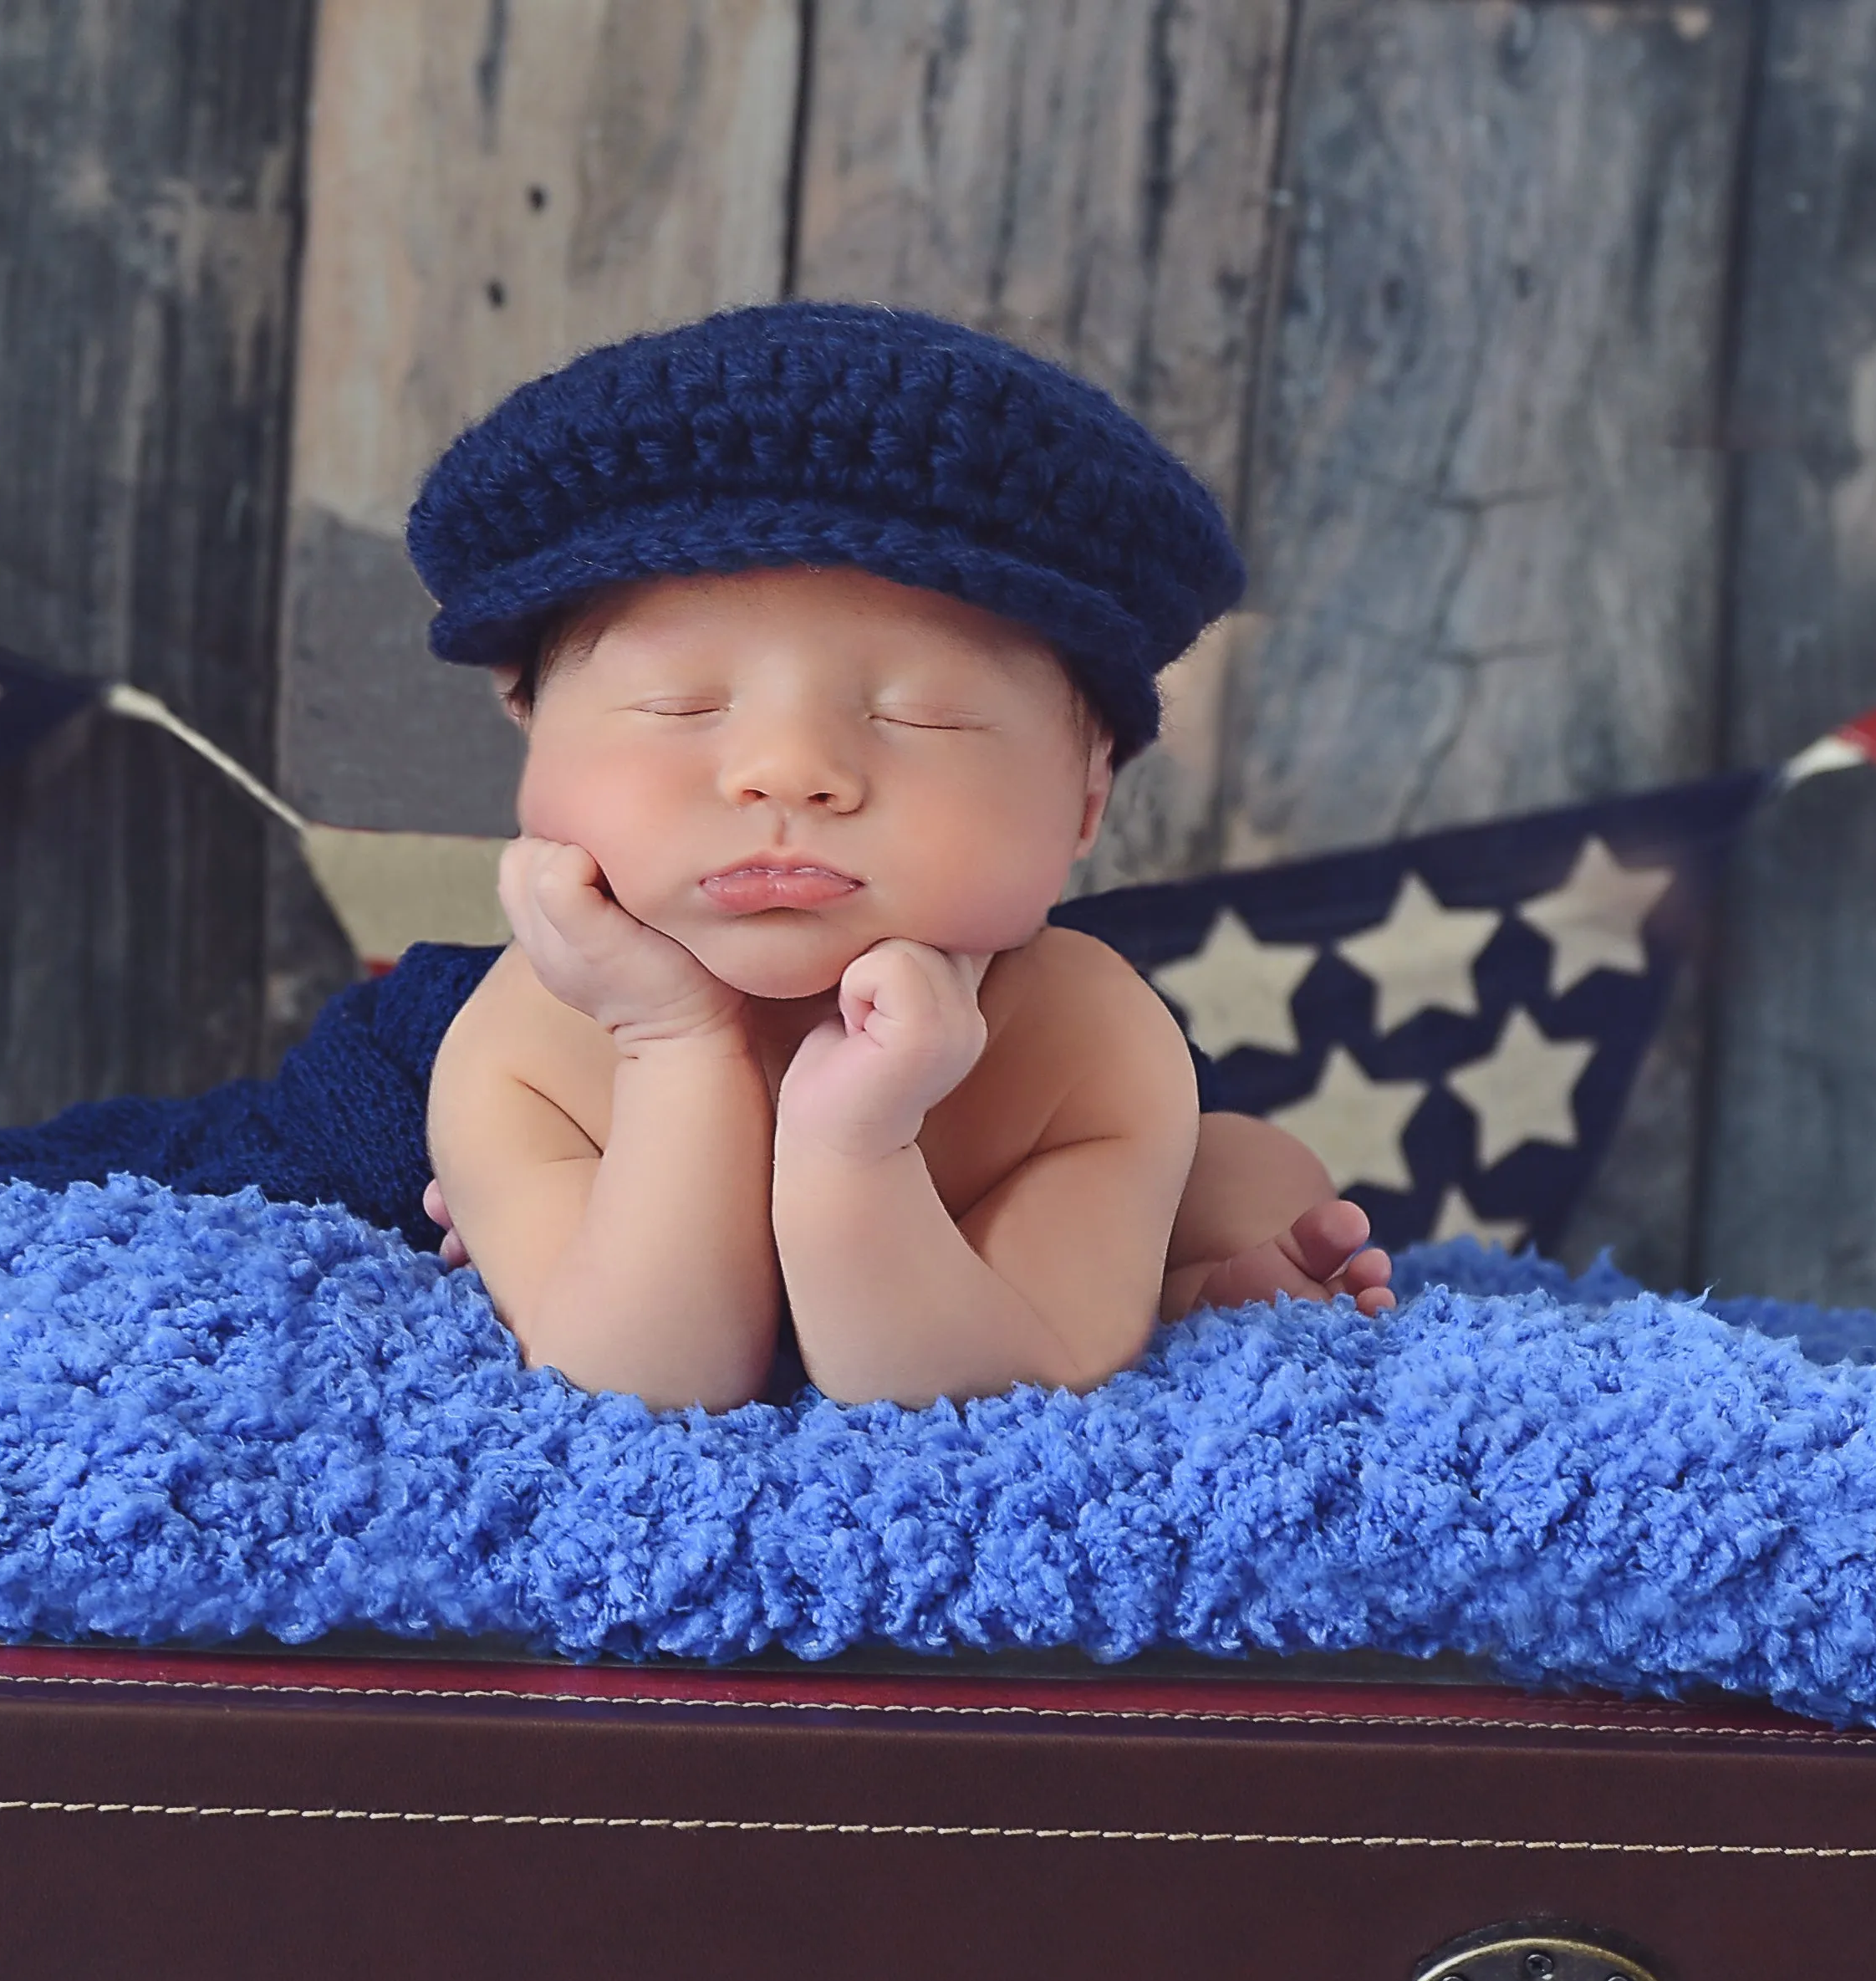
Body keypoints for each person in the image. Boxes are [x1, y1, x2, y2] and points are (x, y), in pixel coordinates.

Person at [413, 304, 1394, 1415]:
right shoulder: (527, 1043)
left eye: (923, 716)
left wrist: (855, 1147)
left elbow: (1000, 1396)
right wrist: (670, 1047)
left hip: (981, 1285)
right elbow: (640, 1387)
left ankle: (1192, 1271)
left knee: (1247, 1176)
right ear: (533, 734)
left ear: (1085, 797)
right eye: (679, 704)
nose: (789, 774)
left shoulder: (1081, 1037)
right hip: (611, 1180)